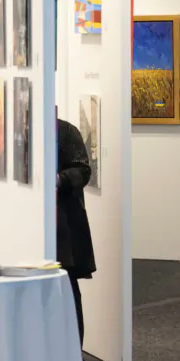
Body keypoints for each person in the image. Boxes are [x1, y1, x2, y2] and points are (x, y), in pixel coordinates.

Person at [56, 118, 97, 348]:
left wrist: (60, 180)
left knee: (67, 287)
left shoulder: (64, 130)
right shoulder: (14, 127)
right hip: (30, 226)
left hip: (63, 225)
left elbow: (83, 170)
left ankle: (73, 351)